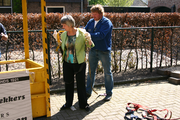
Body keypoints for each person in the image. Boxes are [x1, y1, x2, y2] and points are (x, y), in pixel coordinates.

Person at [53, 15, 94, 111]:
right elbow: (62, 47)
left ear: (69, 24)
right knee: (68, 83)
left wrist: (89, 39)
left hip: (79, 63)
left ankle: (83, 104)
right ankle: (68, 103)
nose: (63, 27)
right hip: (67, 62)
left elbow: (90, 45)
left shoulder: (82, 33)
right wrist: (57, 40)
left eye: (64, 25)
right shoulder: (63, 35)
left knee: (81, 84)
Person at [85, 4, 114, 101]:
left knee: (107, 73)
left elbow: (101, 35)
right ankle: (87, 92)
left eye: (95, 14)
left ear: (101, 14)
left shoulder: (107, 23)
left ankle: (109, 93)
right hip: (93, 50)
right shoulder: (90, 21)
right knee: (90, 72)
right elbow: (85, 31)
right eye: (92, 14)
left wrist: (88, 35)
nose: (93, 16)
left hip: (104, 51)